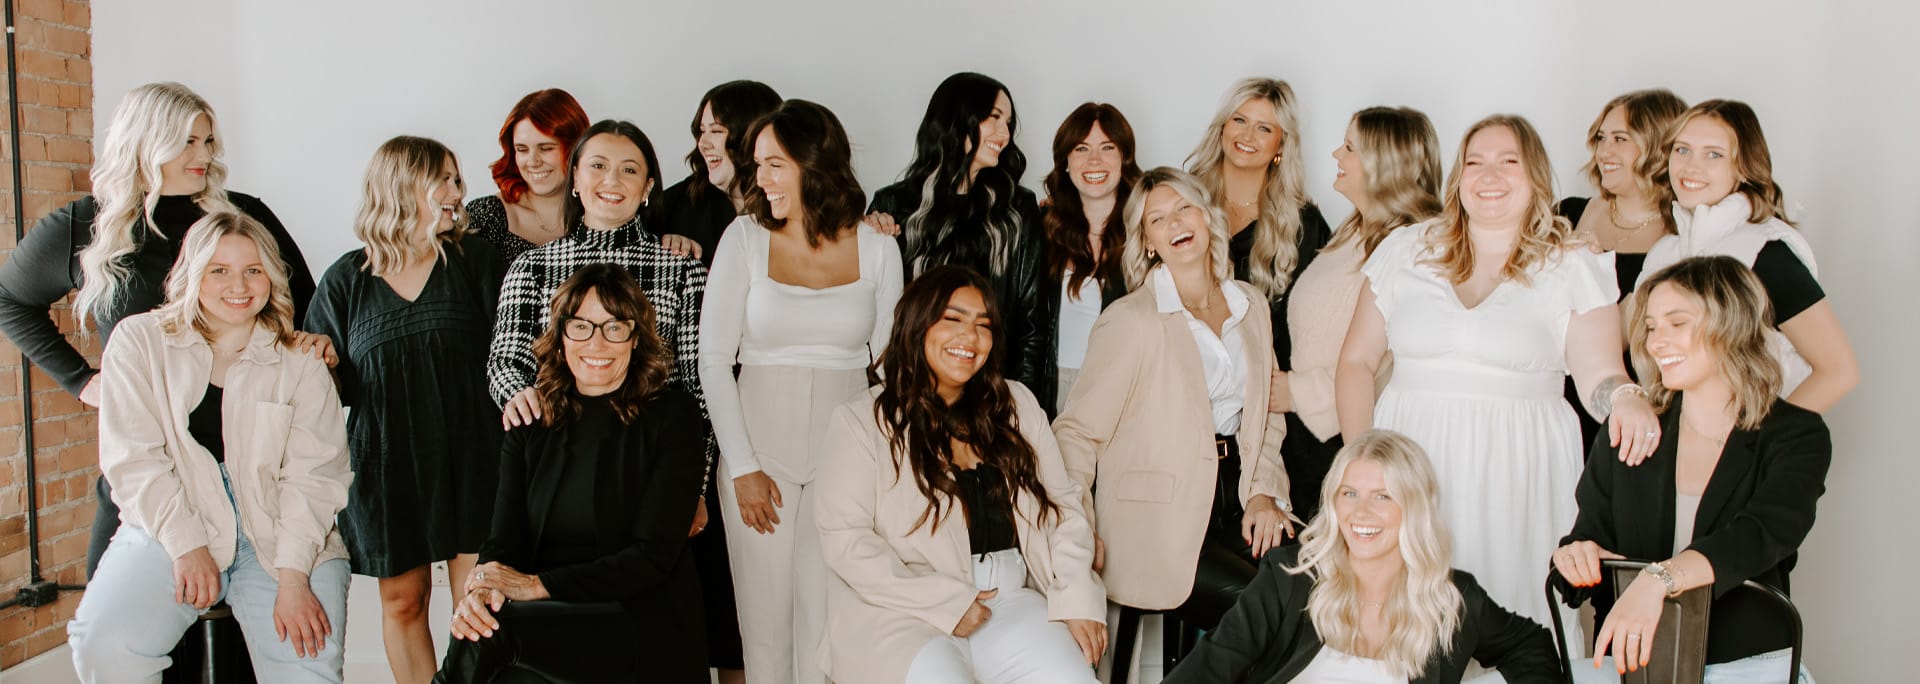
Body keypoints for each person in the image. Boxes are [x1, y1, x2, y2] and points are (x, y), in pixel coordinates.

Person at [1335, 114, 1660, 629]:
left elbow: (1600, 375)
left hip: (1518, 469)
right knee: (1403, 623)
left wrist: (1626, 399)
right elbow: (1355, 362)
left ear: (1534, 177)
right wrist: (1361, 471)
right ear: (1457, 178)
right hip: (1410, 463)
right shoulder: (1406, 250)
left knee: (1509, 621)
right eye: (1475, 162)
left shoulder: (1572, 263)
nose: (1490, 176)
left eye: (1509, 162)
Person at [0, 80, 324, 580]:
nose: (204, 155)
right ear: (146, 141)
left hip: (248, 461)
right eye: (188, 142)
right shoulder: (87, 226)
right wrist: (81, 381)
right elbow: (10, 300)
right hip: (146, 459)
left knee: (235, 640)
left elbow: (309, 309)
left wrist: (310, 343)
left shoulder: (243, 216)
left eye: (208, 141)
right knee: (117, 622)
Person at [66, 212, 351, 683]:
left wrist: (294, 576)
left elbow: (315, 477)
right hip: (173, 520)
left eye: (253, 270)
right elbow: (134, 459)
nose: (238, 285)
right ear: (192, 272)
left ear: (272, 277)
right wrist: (186, 544)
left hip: (286, 534)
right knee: (105, 646)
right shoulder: (140, 342)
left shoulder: (300, 360)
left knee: (307, 669)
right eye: (219, 270)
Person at [815, 266, 1105, 683]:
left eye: (983, 326)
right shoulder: (860, 422)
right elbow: (846, 543)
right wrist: (946, 603)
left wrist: (1076, 596)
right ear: (918, 325)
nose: (969, 338)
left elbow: (1062, 507)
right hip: (901, 613)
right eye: (952, 319)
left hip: (1009, 599)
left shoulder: (1016, 405)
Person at [697, 99, 903, 684]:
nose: (759, 179)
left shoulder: (880, 248)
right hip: (759, 454)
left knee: (825, 628)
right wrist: (742, 466)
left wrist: (881, 467)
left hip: (844, 460)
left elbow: (890, 369)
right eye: (757, 165)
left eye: (774, 164)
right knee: (764, 630)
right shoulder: (742, 239)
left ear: (815, 164)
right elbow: (713, 359)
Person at [1556, 256, 1827, 683]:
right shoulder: (1629, 430)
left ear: (1731, 324)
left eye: (1676, 323)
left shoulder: (1796, 435)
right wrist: (1576, 556)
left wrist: (1659, 579)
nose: (1656, 341)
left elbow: (1761, 534)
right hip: (1637, 668)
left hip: (1746, 665)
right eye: (1650, 327)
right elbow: (1589, 536)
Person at [1053, 168, 1294, 640]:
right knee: (1267, 613)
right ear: (1147, 242)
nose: (1176, 223)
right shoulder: (1130, 321)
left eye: (1184, 208)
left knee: (1328, 587)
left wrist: (1264, 491)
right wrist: (1077, 534)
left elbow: (1267, 414)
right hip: (1156, 523)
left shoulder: (1251, 306)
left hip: (1241, 496)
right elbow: (1077, 432)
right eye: (1157, 219)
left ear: (1207, 218)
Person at [440, 264, 709, 682]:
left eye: (614, 327)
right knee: (483, 620)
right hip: (550, 621)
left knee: (493, 633)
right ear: (561, 336)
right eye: (581, 326)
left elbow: (651, 558)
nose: (596, 342)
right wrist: (483, 588)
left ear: (635, 338)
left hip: (638, 619)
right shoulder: (530, 423)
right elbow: (504, 540)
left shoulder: (675, 418)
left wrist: (535, 586)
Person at [304, 136, 505, 684]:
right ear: (399, 186)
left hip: (474, 458)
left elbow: (511, 359)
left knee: (480, 604)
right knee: (403, 604)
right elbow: (317, 387)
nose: (455, 192)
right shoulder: (346, 280)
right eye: (441, 178)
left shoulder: (477, 262)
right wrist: (318, 360)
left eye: (457, 180)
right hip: (387, 467)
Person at [1166, 430, 1561, 683]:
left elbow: (1530, 644)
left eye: (1383, 496)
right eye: (1349, 493)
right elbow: (1210, 667)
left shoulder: (1450, 598)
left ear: (1414, 508)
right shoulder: (1289, 579)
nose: (1361, 513)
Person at [1639, 99, 1858, 413]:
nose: (1691, 166)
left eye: (1713, 154)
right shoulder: (1663, 252)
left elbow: (1838, 370)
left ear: (1742, 167)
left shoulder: (1766, 251)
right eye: (1682, 149)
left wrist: (1761, 447)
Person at [1279, 105, 1442, 524]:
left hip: (1347, 438)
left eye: (1349, 147)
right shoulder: (1353, 230)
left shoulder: (1415, 246)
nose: (1336, 154)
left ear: (1382, 165)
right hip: (1306, 437)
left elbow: (1389, 365)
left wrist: (1294, 392)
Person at [868, 72, 1051, 410]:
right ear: (957, 118)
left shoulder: (1017, 209)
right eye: (993, 118)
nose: (1005, 133)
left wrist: (1018, 406)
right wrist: (867, 239)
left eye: (1008, 122)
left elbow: (1032, 323)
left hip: (991, 395)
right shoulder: (893, 206)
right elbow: (875, 314)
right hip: (912, 394)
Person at [1185, 77, 1334, 416]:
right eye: (1239, 120)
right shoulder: (1183, 204)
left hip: (1265, 409)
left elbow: (1324, 329)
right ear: (1222, 127)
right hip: (1184, 396)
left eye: (1264, 128)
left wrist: (1295, 389)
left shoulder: (1303, 225)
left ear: (1281, 145)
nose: (1247, 136)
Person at [1558, 89, 1688, 448]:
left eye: (1620, 139)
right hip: (1553, 400)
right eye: (1600, 138)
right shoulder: (1564, 215)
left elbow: (1625, 337)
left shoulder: (1680, 239)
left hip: (1629, 411)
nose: (1603, 151)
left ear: (1658, 146)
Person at [1038, 102, 1142, 415]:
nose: (1094, 160)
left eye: (1107, 147)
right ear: (1065, 162)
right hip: (1051, 388)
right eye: (1081, 148)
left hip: (1124, 391)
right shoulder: (1039, 230)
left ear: (1124, 158)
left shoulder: (1147, 229)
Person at [656, 79, 783, 265]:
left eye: (716, 131)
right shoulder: (676, 205)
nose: (703, 144)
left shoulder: (791, 205)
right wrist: (663, 244)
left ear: (752, 136)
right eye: (701, 131)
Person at [465, 88, 591, 264]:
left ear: (577, 148)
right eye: (522, 149)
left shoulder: (604, 212)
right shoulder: (486, 215)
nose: (533, 161)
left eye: (546, 148)